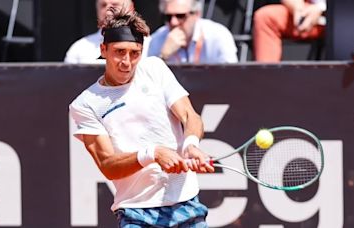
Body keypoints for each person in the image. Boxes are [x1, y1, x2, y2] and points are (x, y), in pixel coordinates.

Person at [69, 8, 214, 227]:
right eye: (119, 52)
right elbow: (107, 164)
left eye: (134, 53)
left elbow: (189, 115)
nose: (126, 61)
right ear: (103, 49)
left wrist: (191, 144)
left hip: (186, 203)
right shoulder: (85, 104)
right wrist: (152, 154)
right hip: (136, 213)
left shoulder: (155, 68)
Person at [148, 0, 238, 64]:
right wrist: (163, 56)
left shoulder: (218, 35)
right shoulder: (156, 39)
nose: (173, 22)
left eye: (180, 16)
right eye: (168, 17)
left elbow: (231, 77)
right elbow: (145, 81)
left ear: (196, 14)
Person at [64, 0, 150, 64]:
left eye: (115, 5)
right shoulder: (79, 48)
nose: (108, 10)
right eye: (103, 5)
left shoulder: (151, 44)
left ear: (131, 7)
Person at [253, 0, 326, 62]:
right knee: (266, 17)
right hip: (307, 10)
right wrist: (298, 9)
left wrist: (320, 8)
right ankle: (267, 75)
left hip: (332, 13)